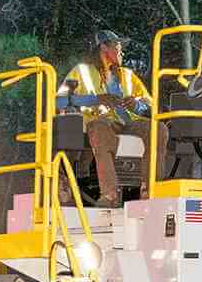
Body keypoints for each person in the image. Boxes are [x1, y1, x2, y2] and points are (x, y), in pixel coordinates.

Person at [58, 30, 161, 207]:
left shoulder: (128, 75)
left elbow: (150, 103)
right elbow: (59, 100)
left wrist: (136, 105)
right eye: (118, 46)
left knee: (159, 129)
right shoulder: (81, 71)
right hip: (99, 122)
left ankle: (150, 189)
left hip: (128, 122)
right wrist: (96, 99)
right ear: (104, 47)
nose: (122, 51)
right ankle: (109, 194)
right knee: (99, 128)